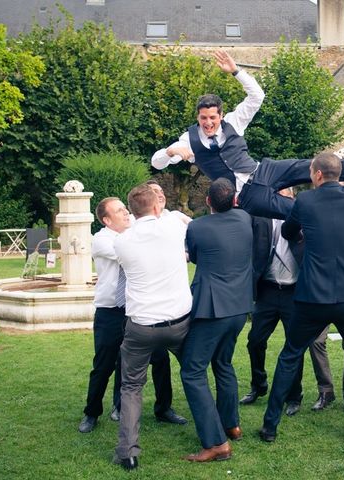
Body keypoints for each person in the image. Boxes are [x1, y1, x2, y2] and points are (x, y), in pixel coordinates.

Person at [151, 50, 344, 220]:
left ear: (220, 115)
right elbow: (156, 162)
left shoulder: (234, 121)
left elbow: (257, 96)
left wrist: (236, 71)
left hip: (262, 170)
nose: (208, 123)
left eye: (212, 118)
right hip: (246, 195)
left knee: (315, 165)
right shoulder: (188, 140)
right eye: (203, 119)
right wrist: (171, 151)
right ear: (198, 117)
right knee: (296, 210)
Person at [259, 152, 344, 446]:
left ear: (316, 174)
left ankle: (270, 426)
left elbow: (288, 231)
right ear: (340, 174)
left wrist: (304, 235)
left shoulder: (305, 201)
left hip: (314, 292)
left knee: (290, 354)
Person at [78, 197, 185, 435]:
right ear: (106, 219)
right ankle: (91, 412)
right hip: (111, 313)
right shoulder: (102, 239)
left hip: (139, 311)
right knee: (104, 365)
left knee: (160, 359)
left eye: (126, 209)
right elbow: (132, 249)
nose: (126, 214)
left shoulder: (133, 232)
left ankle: (163, 408)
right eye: (119, 211)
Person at [113, 184, 192, 471]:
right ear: (157, 206)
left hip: (141, 325)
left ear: (131, 211)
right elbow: (188, 224)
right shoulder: (172, 226)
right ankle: (214, 431)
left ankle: (128, 452)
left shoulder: (122, 241)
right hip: (179, 322)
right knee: (194, 375)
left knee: (131, 387)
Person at [241, 187, 336, 416]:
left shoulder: (304, 221)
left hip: (295, 292)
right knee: (255, 340)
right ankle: (259, 385)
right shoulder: (261, 218)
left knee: (295, 346)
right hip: (267, 290)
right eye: (277, 195)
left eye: (285, 195)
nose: (280, 199)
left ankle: (294, 395)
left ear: (292, 198)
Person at [180, 178, 253, 463]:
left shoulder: (197, 227)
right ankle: (231, 424)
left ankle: (215, 442)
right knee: (223, 364)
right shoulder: (245, 218)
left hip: (211, 308)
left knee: (192, 371)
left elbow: (195, 256)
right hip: (239, 307)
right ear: (234, 201)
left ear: (208, 201)